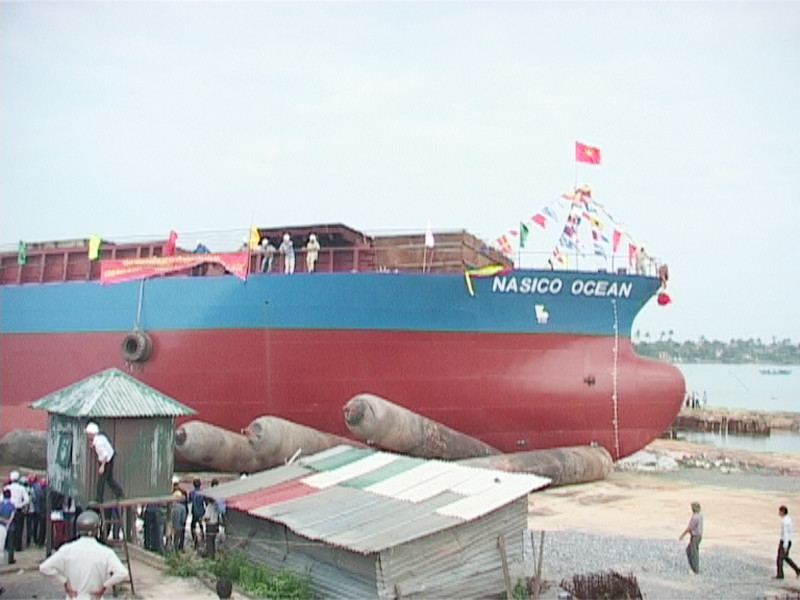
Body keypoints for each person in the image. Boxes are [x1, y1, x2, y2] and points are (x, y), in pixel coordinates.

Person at [39, 509, 129, 600]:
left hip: (74, 596)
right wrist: (104, 586)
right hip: (94, 597)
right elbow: (122, 573)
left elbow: (44, 567)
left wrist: (64, 581)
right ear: (97, 530)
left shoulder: (67, 550)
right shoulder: (106, 552)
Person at [85, 422, 124, 504]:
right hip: (110, 457)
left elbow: (105, 455)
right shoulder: (100, 437)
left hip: (106, 460)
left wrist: (102, 466)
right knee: (109, 479)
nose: (88, 436)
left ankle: (99, 499)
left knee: (101, 480)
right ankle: (119, 493)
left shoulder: (99, 443)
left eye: (88, 434)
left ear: (92, 434)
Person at [4, 471, 29, 553]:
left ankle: (8, 546)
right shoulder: (22, 488)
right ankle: (17, 546)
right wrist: (21, 504)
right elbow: (27, 500)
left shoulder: (7, 488)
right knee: (19, 529)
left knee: (7, 528)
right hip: (18, 510)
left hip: (8, 509)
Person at [679, 501, 703, 574]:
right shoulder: (700, 516)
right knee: (693, 551)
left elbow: (689, 528)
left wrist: (682, 535)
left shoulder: (695, 517)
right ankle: (695, 568)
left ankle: (695, 569)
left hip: (695, 536)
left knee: (692, 552)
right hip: (699, 536)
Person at [777, 505, 800, 579]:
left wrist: (785, 545)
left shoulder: (785, 521)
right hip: (788, 541)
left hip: (784, 541)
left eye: (780, 511)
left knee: (780, 559)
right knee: (786, 558)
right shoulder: (789, 519)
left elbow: (786, 533)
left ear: (782, 512)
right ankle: (797, 570)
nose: (779, 513)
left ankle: (780, 575)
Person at [202, 479, 221, 559]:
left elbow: (207, 517)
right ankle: (212, 555)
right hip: (216, 523)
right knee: (213, 541)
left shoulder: (209, 507)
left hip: (210, 525)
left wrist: (202, 519)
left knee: (209, 541)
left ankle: (210, 555)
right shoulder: (216, 505)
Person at [170, 476, 188, 552]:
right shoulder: (182, 507)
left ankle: (170, 549)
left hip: (172, 525)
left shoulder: (171, 506)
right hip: (179, 525)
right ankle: (177, 550)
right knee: (177, 538)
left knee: (170, 537)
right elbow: (183, 519)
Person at [0, 489, 17, 565]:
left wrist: (3, 520)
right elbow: (12, 516)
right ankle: (10, 558)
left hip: (1, 525)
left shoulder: (0, 505)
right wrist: (8, 522)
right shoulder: (12, 505)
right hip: (10, 526)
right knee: (11, 543)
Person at [188, 479, 205, 550]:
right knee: (201, 525)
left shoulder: (192, 493)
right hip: (201, 512)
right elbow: (206, 502)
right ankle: (203, 538)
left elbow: (189, 501)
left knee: (192, 526)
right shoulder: (203, 493)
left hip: (194, 512)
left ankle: (195, 541)